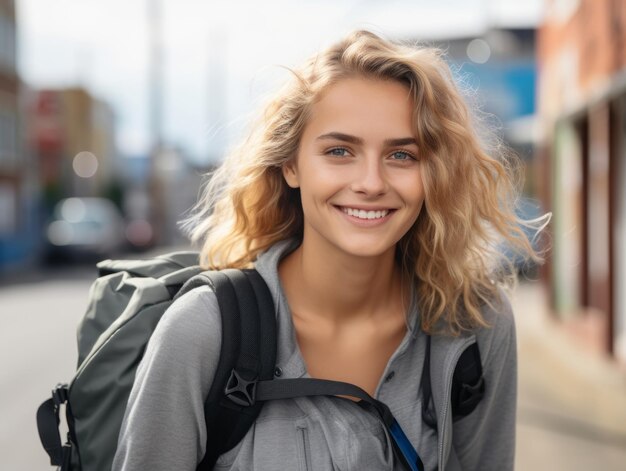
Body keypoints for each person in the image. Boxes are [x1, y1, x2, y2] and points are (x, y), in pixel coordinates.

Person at [112, 30, 542, 471]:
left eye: (402, 156)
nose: (371, 183)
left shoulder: (475, 325)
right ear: (291, 165)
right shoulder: (202, 333)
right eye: (339, 150)